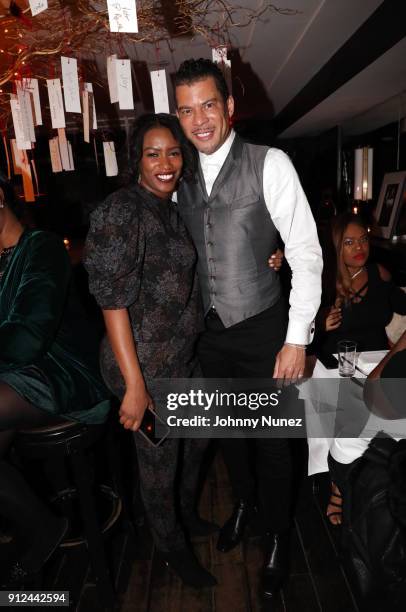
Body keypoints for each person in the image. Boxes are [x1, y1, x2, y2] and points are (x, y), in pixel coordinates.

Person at [174, 58, 323, 601]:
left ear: (229, 107)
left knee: (276, 446)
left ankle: (280, 537)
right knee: (231, 436)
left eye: (208, 104)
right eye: (186, 110)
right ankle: (242, 504)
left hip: (263, 328)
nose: (199, 119)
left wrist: (296, 338)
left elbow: (305, 251)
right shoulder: (179, 175)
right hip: (209, 335)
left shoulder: (270, 162)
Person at [84, 113, 219, 588]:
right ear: (135, 161)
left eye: (174, 152)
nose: (166, 163)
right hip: (140, 366)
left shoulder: (171, 206)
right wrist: (136, 387)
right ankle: (170, 546)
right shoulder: (123, 210)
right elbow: (112, 302)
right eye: (153, 153)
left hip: (181, 356)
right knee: (159, 464)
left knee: (199, 437)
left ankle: (182, 514)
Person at [0, 173, 110, 583]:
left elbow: (29, 336)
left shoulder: (42, 247)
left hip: (58, 370)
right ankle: (40, 526)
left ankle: (39, 528)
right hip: (11, 373)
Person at [315, 212, 406, 524]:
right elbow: (297, 334)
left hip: (379, 358)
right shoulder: (323, 280)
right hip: (334, 366)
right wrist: (319, 325)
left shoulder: (379, 274)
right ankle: (337, 490)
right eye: (349, 242)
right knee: (348, 414)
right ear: (336, 247)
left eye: (364, 240)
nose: (359, 248)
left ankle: (379, 481)